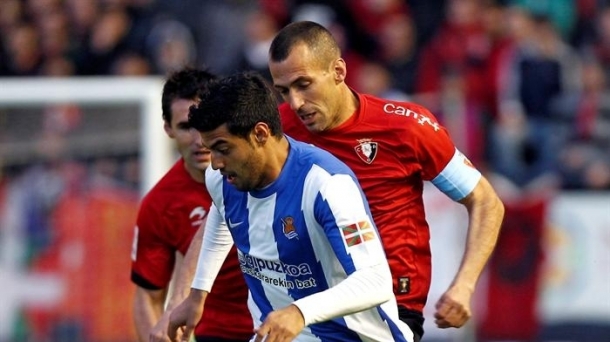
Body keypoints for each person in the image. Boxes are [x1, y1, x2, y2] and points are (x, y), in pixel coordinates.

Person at [268, 21, 505, 341]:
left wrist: (464, 284)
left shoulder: (405, 127)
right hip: (312, 306)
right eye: (284, 91)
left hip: (391, 306)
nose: (295, 103)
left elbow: (485, 200)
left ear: (338, 71)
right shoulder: (278, 132)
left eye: (303, 84)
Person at [167, 71, 415, 342]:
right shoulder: (221, 179)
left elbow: (376, 282)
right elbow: (221, 215)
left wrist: (299, 311)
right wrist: (197, 294)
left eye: (223, 148)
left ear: (260, 133)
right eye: (210, 149)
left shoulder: (326, 184)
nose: (214, 163)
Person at [130, 67, 252, 342]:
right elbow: (148, 297)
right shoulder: (160, 204)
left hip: (285, 322)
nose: (200, 140)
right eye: (186, 126)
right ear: (168, 129)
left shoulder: (257, 173)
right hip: (217, 334)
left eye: (204, 122)